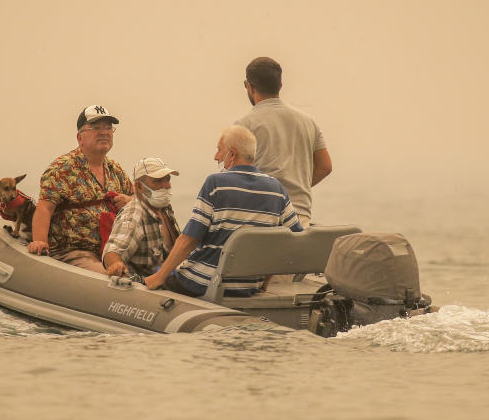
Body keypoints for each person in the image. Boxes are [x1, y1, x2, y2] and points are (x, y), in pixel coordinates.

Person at [145, 125, 302, 298]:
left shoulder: (216, 184)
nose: (216, 156)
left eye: (219, 150)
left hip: (202, 283)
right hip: (247, 287)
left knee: (151, 275)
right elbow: (291, 241)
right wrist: (264, 281)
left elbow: (188, 240)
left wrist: (158, 278)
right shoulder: (276, 189)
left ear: (232, 154)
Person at [28, 105, 133, 273]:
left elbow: (137, 199)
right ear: (80, 138)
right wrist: (39, 241)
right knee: (112, 278)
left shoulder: (115, 169)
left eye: (108, 128)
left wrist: (129, 201)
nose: (104, 132)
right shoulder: (62, 168)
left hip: (112, 250)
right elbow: (45, 208)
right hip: (75, 253)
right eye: (96, 127)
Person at [235, 56, 332, 228]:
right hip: (299, 216)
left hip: (260, 215)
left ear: (249, 87)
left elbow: (233, 175)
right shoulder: (308, 122)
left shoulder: (244, 126)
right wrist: (297, 185)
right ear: (280, 85)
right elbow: (325, 166)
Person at [101, 157, 181, 278]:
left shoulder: (164, 208)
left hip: (171, 279)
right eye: (158, 181)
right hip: (148, 289)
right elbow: (113, 249)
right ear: (139, 187)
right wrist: (115, 264)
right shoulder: (134, 214)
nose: (166, 185)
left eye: (167, 179)